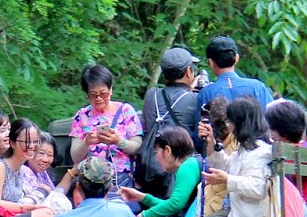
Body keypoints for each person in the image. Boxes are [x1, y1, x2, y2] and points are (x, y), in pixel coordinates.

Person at [139, 48, 204, 193]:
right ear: (188, 71)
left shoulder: (152, 95)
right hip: (180, 171)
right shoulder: (194, 100)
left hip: (150, 169)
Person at [69, 64, 142, 191]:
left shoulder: (126, 111)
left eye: (103, 94)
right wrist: (86, 143)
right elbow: (75, 156)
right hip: (90, 181)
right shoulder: (82, 116)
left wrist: (119, 141)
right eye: (93, 95)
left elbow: (137, 147)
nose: (99, 99)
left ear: (111, 90)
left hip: (121, 178)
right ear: (87, 94)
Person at [196, 36, 273, 111]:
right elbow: (273, 119)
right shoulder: (257, 87)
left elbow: (200, 122)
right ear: (236, 58)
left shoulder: (205, 93)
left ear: (211, 62)